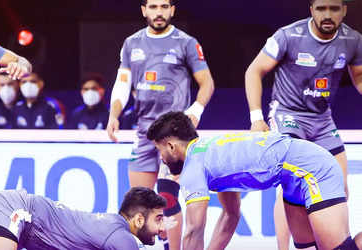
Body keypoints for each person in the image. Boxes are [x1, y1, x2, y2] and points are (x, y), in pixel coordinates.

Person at [147, 111, 362, 250]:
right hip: (292, 178)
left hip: (311, 168)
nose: (161, 160)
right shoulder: (211, 154)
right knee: (306, 248)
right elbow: (230, 215)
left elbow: (194, 231)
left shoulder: (193, 167)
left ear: (171, 146)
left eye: (159, 150)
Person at [244, 0, 362, 249]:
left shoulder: (353, 40)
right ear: (311, 10)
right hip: (288, 115)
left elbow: (359, 78)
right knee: (293, 185)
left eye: (334, 8)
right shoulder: (288, 35)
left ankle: (336, 244)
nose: (327, 14)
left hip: (322, 119)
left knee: (340, 186)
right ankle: (284, 247)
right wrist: (256, 118)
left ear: (344, 10)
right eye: (321, 9)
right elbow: (253, 71)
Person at [106, 0, 215, 249]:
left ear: (172, 10)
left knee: (167, 199)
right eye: (153, 7)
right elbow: (123, 83)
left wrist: (195, 112)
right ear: (144, 10)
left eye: (164, 6)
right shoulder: (131, 43)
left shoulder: (186, 42)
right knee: (137, 204)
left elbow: (207, 83)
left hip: (174, 137)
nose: (159, 12)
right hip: (144, 131)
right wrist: (114, 114)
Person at [0, 186, 166, 250]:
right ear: (139, 220)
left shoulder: (108, 229)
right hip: (13, 209)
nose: (162, 228)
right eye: (158, 219)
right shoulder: (121, 236)